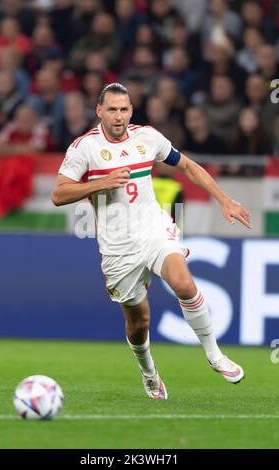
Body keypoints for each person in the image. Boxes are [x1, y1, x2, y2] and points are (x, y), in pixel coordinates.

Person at [52, 83, 251, 400]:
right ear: (99, 111)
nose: (118, 116)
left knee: (184, 283)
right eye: (112, 110)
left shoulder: (147, 137)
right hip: (117, 245)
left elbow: (186, 165)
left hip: (153, 228)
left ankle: (215, 355)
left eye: (124, 109)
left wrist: (224, 199)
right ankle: (149, 373)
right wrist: (100, 183)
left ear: (131, 110)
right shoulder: (84, 148)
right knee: (139, 321)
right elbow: (59, 194)